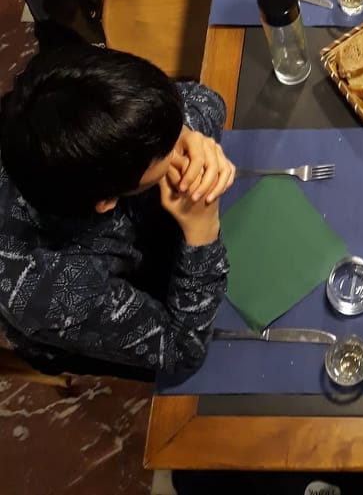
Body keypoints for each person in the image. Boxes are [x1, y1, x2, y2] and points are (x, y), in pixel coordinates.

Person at [0, 45, 235, 378]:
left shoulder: (66, 95)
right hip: (89, 313)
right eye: (164, 155)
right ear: (106, 202)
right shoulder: (54, 290)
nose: (175, 151)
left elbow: (204, 99)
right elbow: (182, 351)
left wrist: (184, 132)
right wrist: (201, 232)